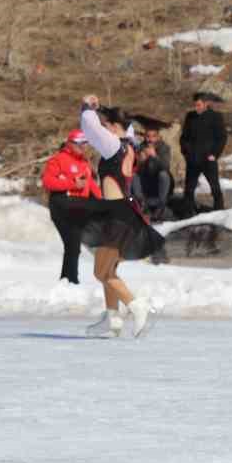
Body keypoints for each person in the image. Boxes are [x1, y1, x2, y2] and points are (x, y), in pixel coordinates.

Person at [79, 99, 163, 338]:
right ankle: (112, 319)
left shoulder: (113, 146)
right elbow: (123, 128)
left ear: (115, 127)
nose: (104, 129)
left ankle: (137, 306)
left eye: (107, 125)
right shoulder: (130, 144)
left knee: (101, 272)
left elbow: (90, 127)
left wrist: (87, 107)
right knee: (108, 270)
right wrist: (100, 110)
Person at [42, 129, 96, 284]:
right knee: (73, 244)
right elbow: (48, 182)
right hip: (62, 205)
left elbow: (91, 185)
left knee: (73, 246)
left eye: (85, 143)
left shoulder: (84, 162)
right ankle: (71, 281)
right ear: (69, 143)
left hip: (78, 207)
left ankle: (66, 280)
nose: (83, 147)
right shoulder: (58, 159)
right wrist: (72, 183)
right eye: (79, 143)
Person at [180, 92, 226, 214]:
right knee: (189, 188)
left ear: (206, 104)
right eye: (195, 105)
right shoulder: (190, 116)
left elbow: (222, 138)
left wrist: (214, 154)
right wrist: (186, 151)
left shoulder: (216, 116)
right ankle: (187, 213)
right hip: (192, 158)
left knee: (214, 186)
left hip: (208, 158)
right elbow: (184, 137)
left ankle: (219, 211)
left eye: (199, 105)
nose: (196, 108)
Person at [134, 126, 173, 221]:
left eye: (153, 136)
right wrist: (140, 161)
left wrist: (155, 156)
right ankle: (142, 203)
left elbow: (165, 166)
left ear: (158, 137)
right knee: (134, 176)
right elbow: (134, 168)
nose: (150, 139)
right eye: (148, 136)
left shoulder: (164, 148)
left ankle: (161, 206)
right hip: (146, 182)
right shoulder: (140, 147)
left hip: (159, 182)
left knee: (163, 175)